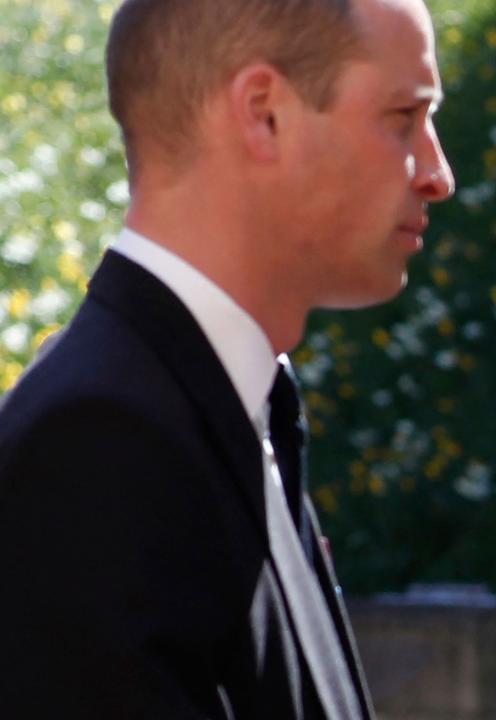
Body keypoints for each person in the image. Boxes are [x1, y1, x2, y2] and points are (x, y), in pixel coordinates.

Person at [0, 0, 453, 716]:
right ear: (263, 112)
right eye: (402, 117)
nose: (437, 173)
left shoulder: (223, 402)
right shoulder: (97, 446)